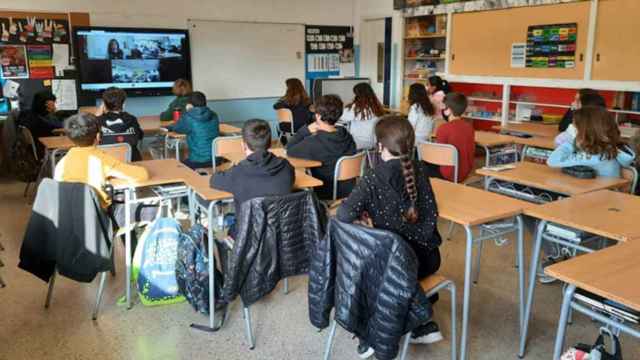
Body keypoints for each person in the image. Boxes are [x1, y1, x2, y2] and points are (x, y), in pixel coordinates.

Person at [337, 116, 443, 358]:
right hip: (429, 260)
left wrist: (368, 222)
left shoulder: (373, 178)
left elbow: (344, 215)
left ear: (380, 146)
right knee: (391, 268)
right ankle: (421, 323)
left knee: (362, 269)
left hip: (393, 267)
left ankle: (373, 335)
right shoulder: (420, 169)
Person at [537, 106, 636, 284]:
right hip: (602, 207)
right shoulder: (609, 151)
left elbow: (553, 161)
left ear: (585, 130)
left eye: (575, 126)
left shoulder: (594, 156)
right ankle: (562, 254)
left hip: (591, 212)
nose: (572, 128)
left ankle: (559, 255)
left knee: (538, 216)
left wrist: (571, 141)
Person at [210, 119, 295, 238]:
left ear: (243, 145)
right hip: (281, 235)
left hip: (248, 237)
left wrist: (232, 168)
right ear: (270, 143)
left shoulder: (238, 172)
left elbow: (214, 180)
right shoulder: (286, 167)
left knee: (221, 229)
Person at [54, 113, 149, 208]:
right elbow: (142, 175)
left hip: (67, 213)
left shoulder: (62, 161)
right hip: (96, 214)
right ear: (98, 136)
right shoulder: (101, 159)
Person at [286, 94, 357, 200]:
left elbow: (289, 149)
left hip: (325, 189)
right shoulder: (346, 135)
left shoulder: (314, 142)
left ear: (318, 116)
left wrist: (304, 131)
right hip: (349, 188)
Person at [167, 91, 219, 170]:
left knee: (176, 168)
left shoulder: (189, 117)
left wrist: (170, 127)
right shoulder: (214, 114)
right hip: (216, 159)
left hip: (198, 160)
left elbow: (178, 128)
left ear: (189, 105)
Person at [435, 93, 475, 182]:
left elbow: (438, 156)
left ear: (449, 110)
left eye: (443, 107)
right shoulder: (469, 127)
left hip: (447, 173)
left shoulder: (443, 128)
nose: (441, 109)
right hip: (465, 172)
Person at [97, 87, 144, 161]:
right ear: (124, 104)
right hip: (132, 162)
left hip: (108, 163)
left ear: (104, 105)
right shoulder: (132, 119)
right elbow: (140, 136)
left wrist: (97, 117)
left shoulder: (98, 121)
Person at [338, 82, 385, 150]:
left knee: (335, 142)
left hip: (359, 141)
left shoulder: (357, 108)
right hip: (373, 141)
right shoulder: (376, 106)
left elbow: (342, 117)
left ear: (358, 95)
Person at [21, 91, 64, 157]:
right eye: (53, 103)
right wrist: (53, 111)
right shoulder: (39, 120)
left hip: (38, 149)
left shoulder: (30, 114)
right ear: (46, 104)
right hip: (46, 151)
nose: (55, 105)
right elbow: (59, 126)